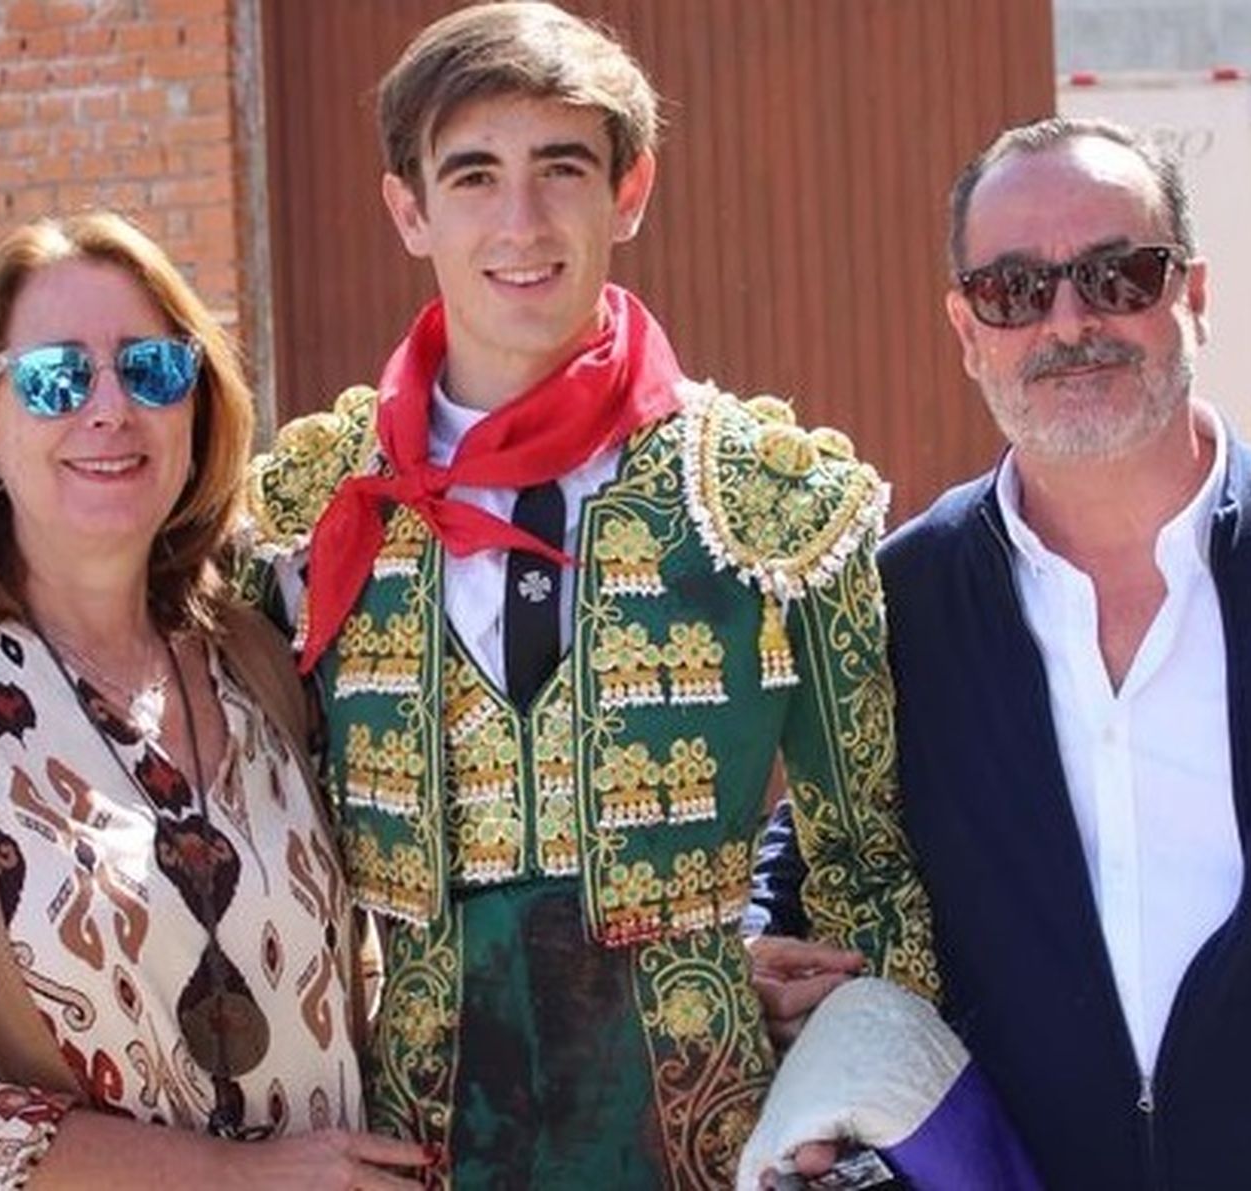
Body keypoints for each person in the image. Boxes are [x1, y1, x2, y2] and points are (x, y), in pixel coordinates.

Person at [244, 3, 938, 1186]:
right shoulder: (307, 514)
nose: (520, 223)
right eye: (473, 176)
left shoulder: (768, 503)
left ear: (631, 190)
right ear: (408, 211)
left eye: (560, 169)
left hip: (706, 1139)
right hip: (409, 1148)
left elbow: (869, 867)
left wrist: (845, 1101)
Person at [752, 116, 1251, 1190]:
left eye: (1116, 274)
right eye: (1014, 290)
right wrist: (755, 951)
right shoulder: (897, 608)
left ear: (1194, 293)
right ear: (965, 327)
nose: (1068, 321)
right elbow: (813, 845)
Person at [0, 212, 431, 1187]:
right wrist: (233, 1178)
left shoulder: (257, 662)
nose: (109, 408)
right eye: (54, 379)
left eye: (152, 370)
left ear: (197, 409)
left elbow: (369, 976)